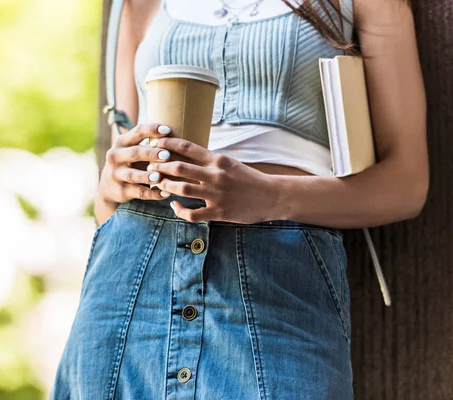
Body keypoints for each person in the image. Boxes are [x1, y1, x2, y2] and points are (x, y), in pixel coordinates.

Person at [52, 0, 428, 398]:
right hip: (131, 268)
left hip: (277, 282)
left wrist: (270, 195)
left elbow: (407, 185)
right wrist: (112, 185)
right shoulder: (138, 5)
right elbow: (107, 202)